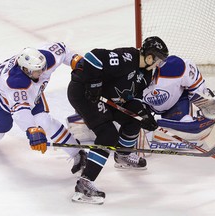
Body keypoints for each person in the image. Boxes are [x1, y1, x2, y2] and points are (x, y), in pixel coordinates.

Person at [67, 36, 169, 204]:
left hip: (108, 100)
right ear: (150, 57)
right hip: (84, 94)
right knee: (108, 135)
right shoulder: (127, 58)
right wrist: (94, 83)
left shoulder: (147, 75)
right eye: (158, 60)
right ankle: (84, 185)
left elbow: (133, 99)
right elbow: (93, 57)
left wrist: (144, 115)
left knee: (135, 118)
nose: (159, 64)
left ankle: (122, 155)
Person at [0, 42, 87, 174]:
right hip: (3, 99)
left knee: (44, 121)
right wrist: (32, 130)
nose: (41, 72)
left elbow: (62, 49)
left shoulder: (46, 59)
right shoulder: (15, 83)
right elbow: (21, 111)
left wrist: (75, 59)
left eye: (42, 68)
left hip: (31, 93)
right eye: (37, 71)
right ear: (25, 70)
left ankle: (77, 152)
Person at [142, 55, 215, 146]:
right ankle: (213, 125)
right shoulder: (132, 74)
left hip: (176, 102)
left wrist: (209, 105)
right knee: (139, 128)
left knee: (187, 132)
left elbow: (197, 91)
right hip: (145, 108)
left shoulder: (176, 67)